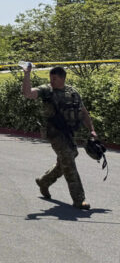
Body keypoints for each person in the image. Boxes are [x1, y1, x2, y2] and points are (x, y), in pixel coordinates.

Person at [21, 65, 97, 210]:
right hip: (55, 133)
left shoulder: (72, 92)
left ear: (63, 78)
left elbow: (83, 112)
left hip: (69, 133)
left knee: (67, 160)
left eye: (54, 78)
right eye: (50, 78)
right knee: (68, 160)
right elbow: (28, 93)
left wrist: (92, 130)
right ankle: (79, 199)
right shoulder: (47, 90)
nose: (51, 81)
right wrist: (26, 74)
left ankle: (44, 181)